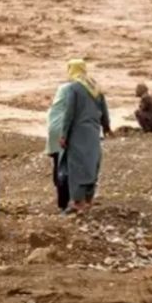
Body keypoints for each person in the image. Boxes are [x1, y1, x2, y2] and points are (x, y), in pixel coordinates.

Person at [56, 59, 111, 213]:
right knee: (91, 164)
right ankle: (89, 199)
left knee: (77, 167)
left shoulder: (73, 88)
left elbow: (69, 113)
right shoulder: (95, 86)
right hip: (93, 132)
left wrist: (63, 134)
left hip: (77, 133)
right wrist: (106, 126)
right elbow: (104, 109)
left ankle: (78, 202)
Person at [46, 82, 71, 212]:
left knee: (57, 166)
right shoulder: (69, 108)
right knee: (66, 169)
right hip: (64, 138)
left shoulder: (54, 109)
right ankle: (66, 203)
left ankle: (62, 204)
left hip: (54, 141)